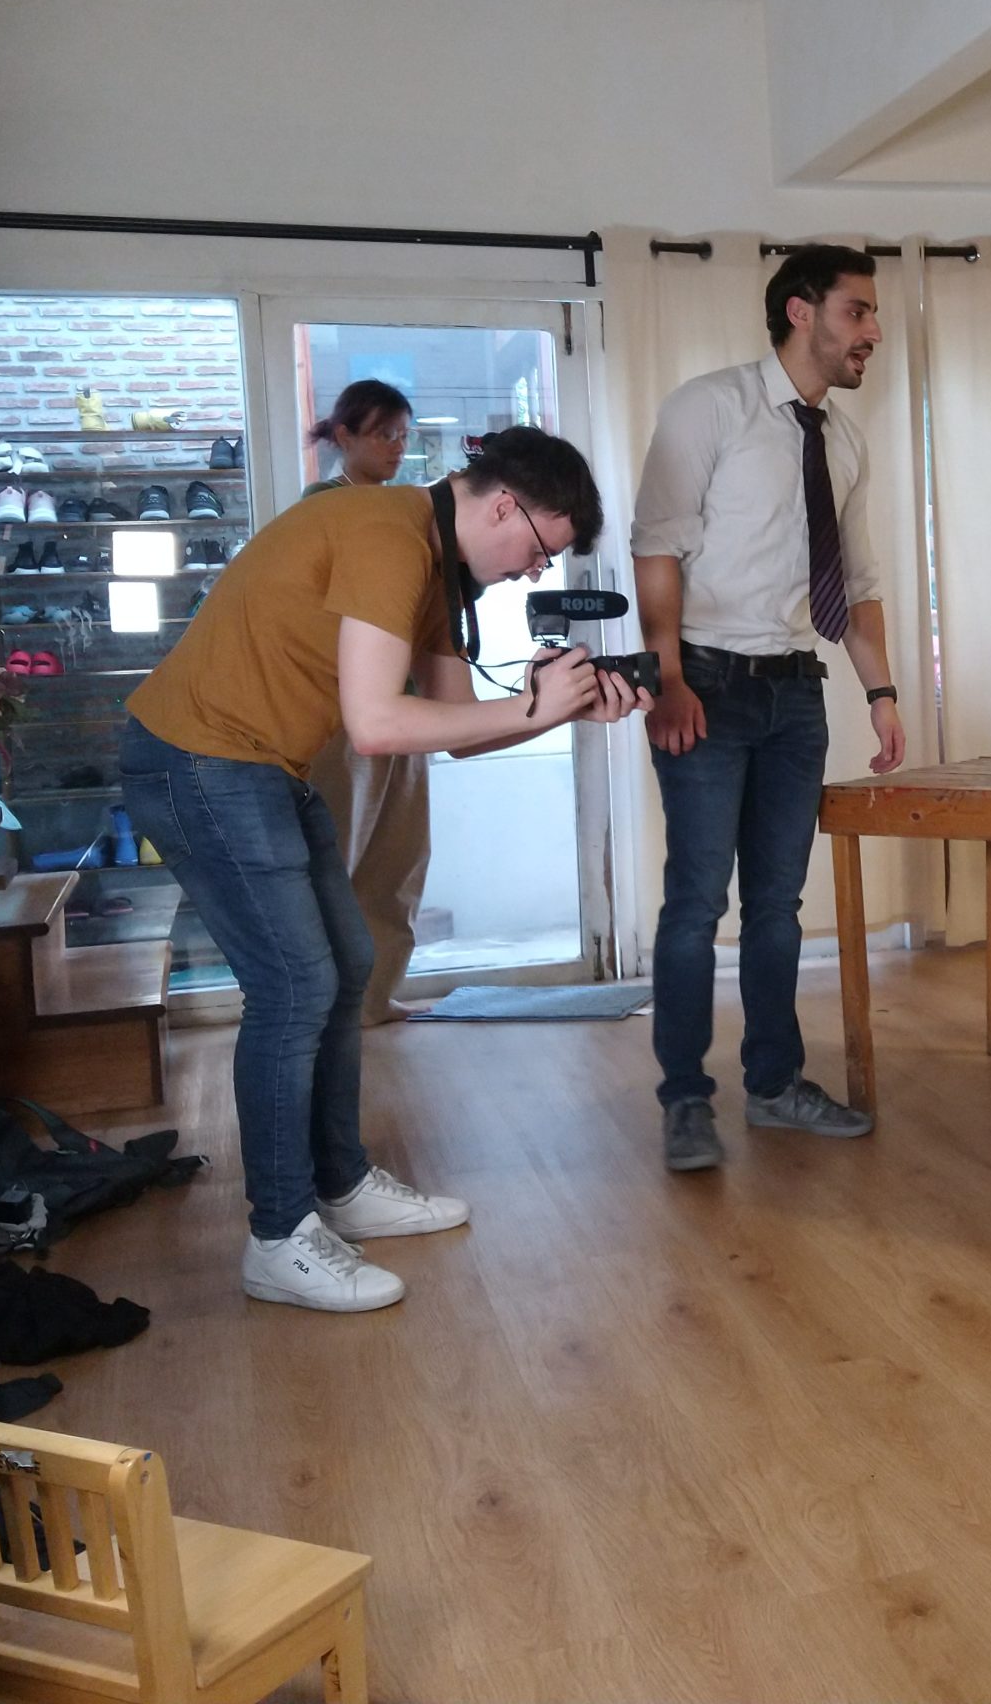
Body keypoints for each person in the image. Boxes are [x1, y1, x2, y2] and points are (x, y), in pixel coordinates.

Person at [122, 428, 648, 1310]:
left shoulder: (437, 565)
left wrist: (564, 707)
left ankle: (341, 1187)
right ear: (499, 504)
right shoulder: (385, 533)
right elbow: (376, 725)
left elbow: (462, 728)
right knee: (295, 984)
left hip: (258, 764)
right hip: (197, 756)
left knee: (349, 963)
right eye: (538, 550)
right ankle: (278, 1236)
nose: (531, 573)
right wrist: (534, 706)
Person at [632, 244, 906, 1173]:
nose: (873, 331)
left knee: (780, 906)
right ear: (802, 312)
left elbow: (857, 584)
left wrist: (882, 692)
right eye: (858, 312)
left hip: (796, 691)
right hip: (703, 685)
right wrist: (665, 679)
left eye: (872, 315)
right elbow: (657, 549)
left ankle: (775, 1084)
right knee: (697, 902)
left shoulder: (846, 442)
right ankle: (684, 1101)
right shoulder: (709, 408)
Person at [302, 380, 433, 1026]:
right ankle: (326, 1005)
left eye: (404, 435)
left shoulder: (405, 512)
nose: (397, 448)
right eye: (384, 434)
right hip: (340, 713)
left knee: (399, 859)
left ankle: (375, 997)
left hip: (403, 707)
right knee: (338, 859)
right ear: (344, 435)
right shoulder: (323, 506)